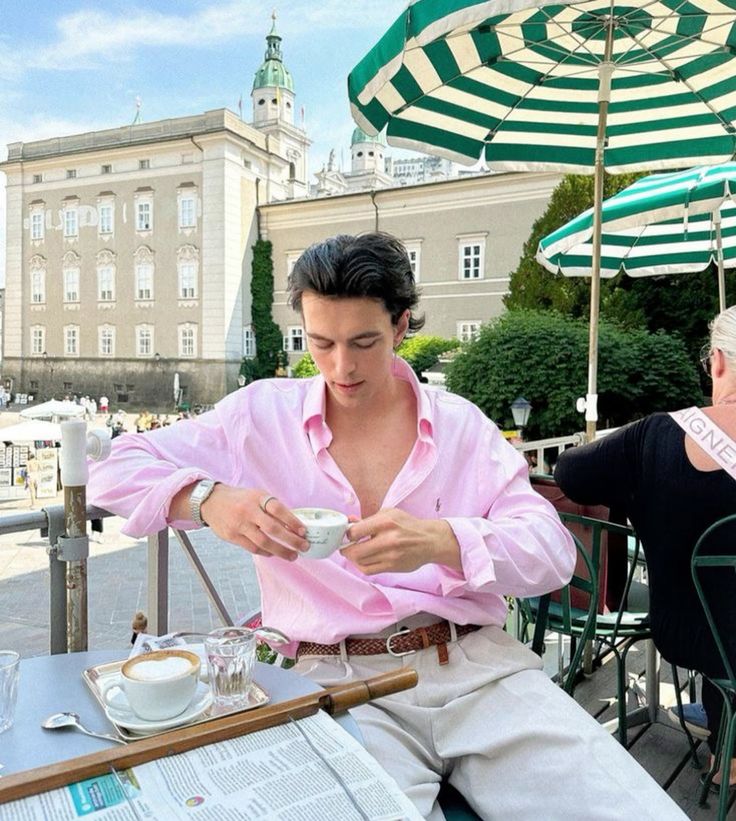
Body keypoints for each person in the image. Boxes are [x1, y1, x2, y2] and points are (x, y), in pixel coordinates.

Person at [89, 232, 682, 819]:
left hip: (477, 671)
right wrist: (208, 499)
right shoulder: (258, 415)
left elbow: (552, 552)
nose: (341, 367)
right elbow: (113, 468)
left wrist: (443, 540)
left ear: (401, 326)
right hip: (338, 685)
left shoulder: (460, 426)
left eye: (364, 342)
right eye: (320, 343)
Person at [555, 305, 736, 787]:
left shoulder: (657, 435)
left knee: (724, 623)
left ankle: (729, 762)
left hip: (690, 629)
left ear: (717, 362)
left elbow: (568, 473)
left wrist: (642, 478)